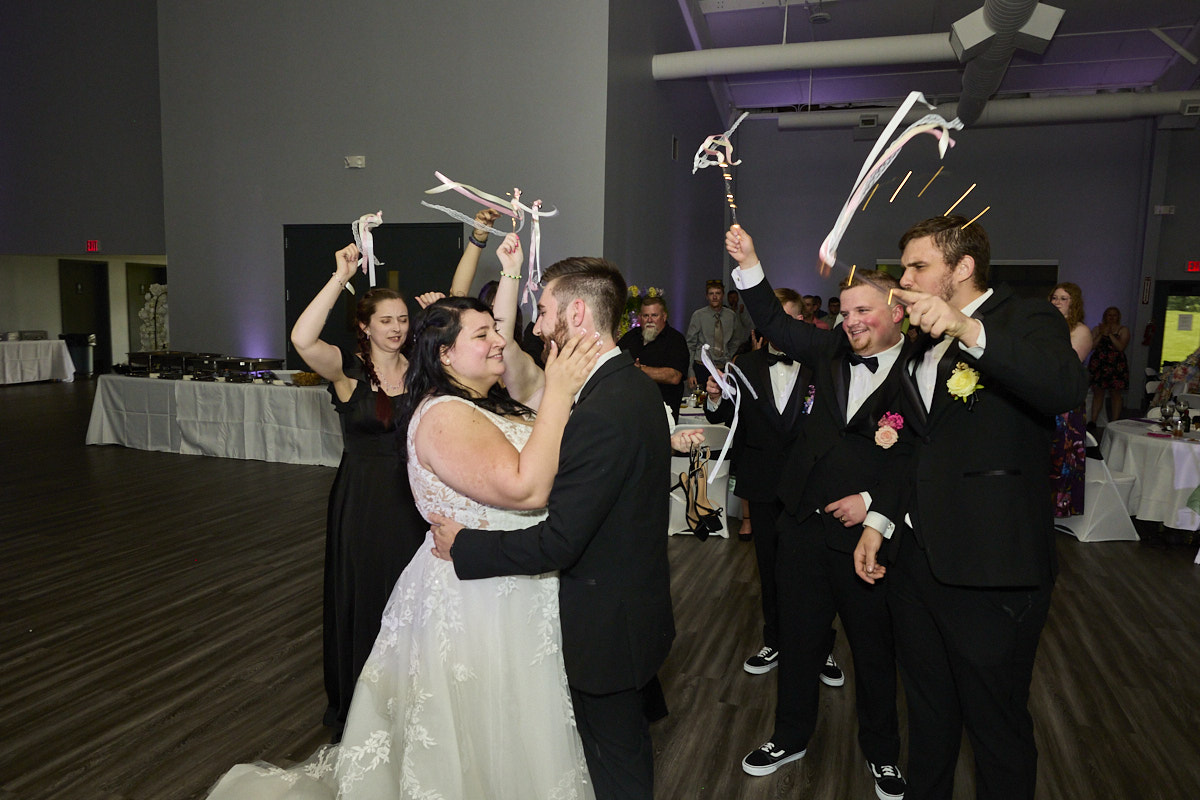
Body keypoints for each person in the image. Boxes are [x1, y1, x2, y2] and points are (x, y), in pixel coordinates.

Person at [208, 235, 605, 798]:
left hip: (506, 575)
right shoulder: (435, 409)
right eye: (484, 335)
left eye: (495, 330)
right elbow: (525, 486)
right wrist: (560, 392)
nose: (499, 340)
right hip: (449, 570)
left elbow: (497, 356)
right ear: (442, 353)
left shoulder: (492, 400)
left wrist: (506, 267)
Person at [854, 215, 1088, 800]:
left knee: (996, 726)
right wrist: (880, 521)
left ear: (962, 268)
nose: (905, 279)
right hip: (917, 565)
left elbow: (1062, 386)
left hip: (992, 568)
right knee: (928, 717)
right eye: (904, 266)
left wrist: (966, 328)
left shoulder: (1024, 318)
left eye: (918, 266)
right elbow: (914, 443)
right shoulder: (920, 342)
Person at [431, 255, 679, 800]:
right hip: (630, 605)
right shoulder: (629, 386)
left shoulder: (602, 409)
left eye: (543, 312)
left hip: (606, 626)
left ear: (577, 313)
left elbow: (561, 541)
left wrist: (467, 546)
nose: (538, 325)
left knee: (615, 765)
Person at [725, 227, 911, 800]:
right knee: (799, 639)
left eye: (863, 310)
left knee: (874, 650)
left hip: (868, 540)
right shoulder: (830, 350)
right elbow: (773, 321)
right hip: (803, 524)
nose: (850, 321)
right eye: (845, 311)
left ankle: (882, 753)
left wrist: (873, 505)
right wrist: (751, 261)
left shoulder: (921, 369)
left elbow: (924, 459)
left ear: (898, 312)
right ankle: (790, 735)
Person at [289, 244, 429, 742]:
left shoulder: (421, 368)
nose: (397, 328)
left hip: (414, 497)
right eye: (386, 320)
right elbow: (302, 339)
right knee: (367, 595)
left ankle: (412, 699)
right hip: (364, 500)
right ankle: (366, 704)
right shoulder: (347, 369)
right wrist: (339, 277)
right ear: (365, 326)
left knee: (412, 595)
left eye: (403, 320)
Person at [1049, 282, 1092, 517]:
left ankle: (1062, 506)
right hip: (1046, 398)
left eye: (1063, 298)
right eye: (1054, 298)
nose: (1057, 302)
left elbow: (1067, 366)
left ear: (1073, 303)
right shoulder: (1047, 326)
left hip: (1066, 400)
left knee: (1064, 454)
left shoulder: (1080, 331)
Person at [618, 294, 690, 421]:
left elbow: (674, 376)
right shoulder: (630, 337)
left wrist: (640, 370)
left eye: (654, 315)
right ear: (640, 318)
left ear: (664, 316)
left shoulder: (675, 340)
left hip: (662, 414)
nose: (649, 320)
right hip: (630, 412)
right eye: (645, 316)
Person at [686, 278, 743, 390]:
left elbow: (736, 341)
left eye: (718, 293)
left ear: (723, 295)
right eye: (711, 294)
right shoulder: (698, 315)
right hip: (702, 366)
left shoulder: (731, 316)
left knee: (724, 398)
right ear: (707, 296)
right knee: (701, 397)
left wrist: (728, 356)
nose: (715, 297)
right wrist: (690, 372)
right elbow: (690, 345)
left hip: (723, 366)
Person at [1087, 305, 1130, 427]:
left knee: (1115, 393)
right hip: (1099, 363)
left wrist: (1110, 334)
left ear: (1118, 317)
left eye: (1114, 315)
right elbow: (1091, 346)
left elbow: (1120, 347)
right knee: (1098, 392)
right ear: (1105, 316)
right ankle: (1093, 421)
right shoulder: (1097, 329)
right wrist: (1101, 334)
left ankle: (1114, 422)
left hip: (1116, 364)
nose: (1111, 317)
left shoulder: (1123, 330)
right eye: (1109, 315)